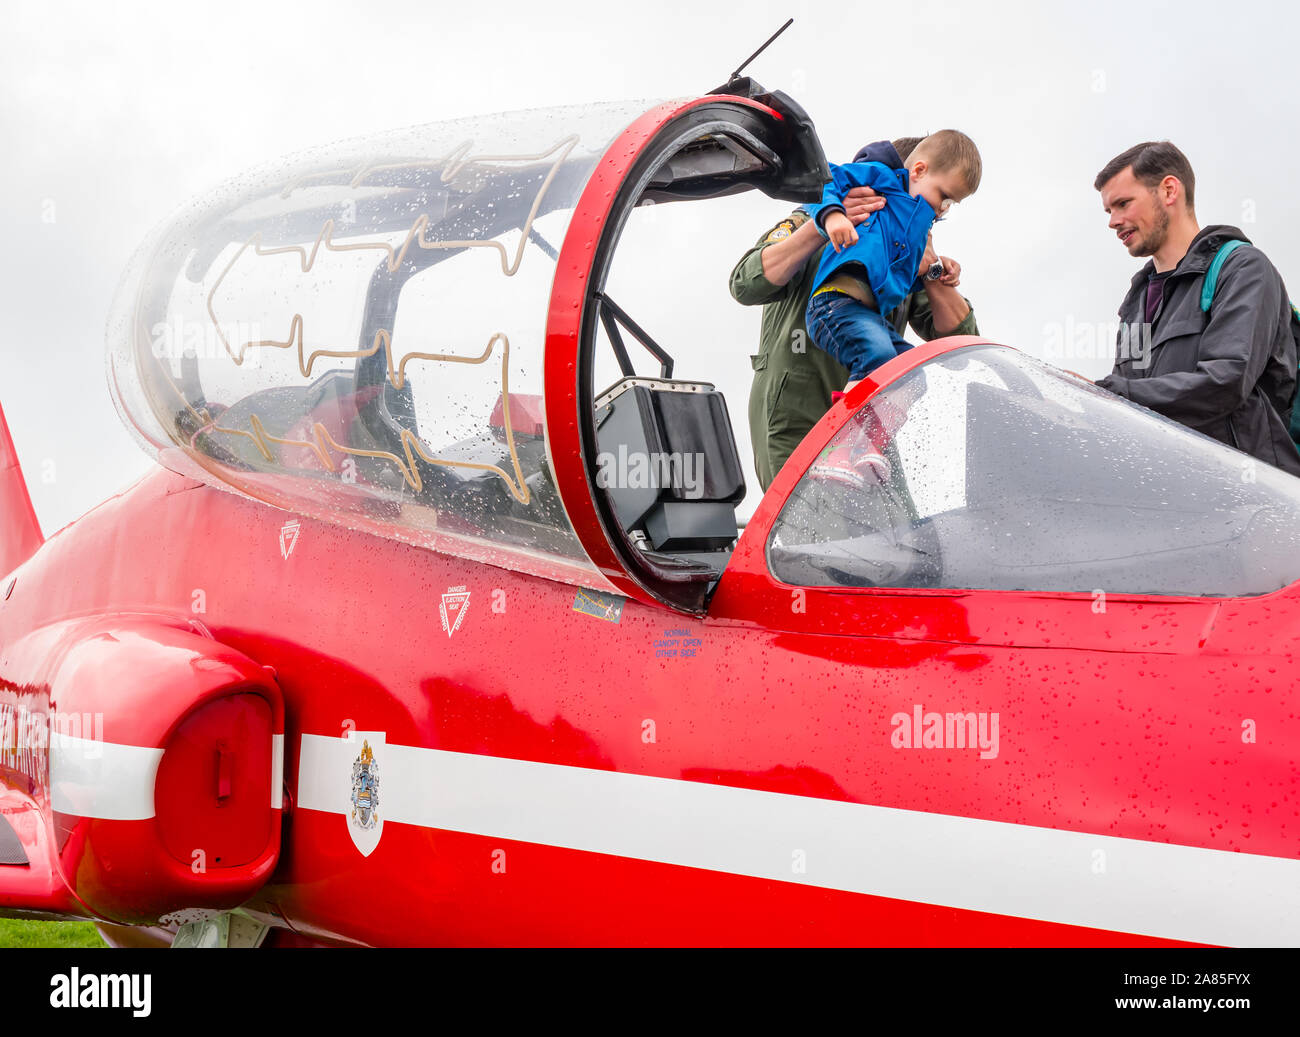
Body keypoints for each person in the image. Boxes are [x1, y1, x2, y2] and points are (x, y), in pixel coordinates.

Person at [730, 137, 980, 490]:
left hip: (869, 433)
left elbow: (960, 348)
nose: (936, 212)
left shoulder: (906, 250)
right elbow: (745, 284)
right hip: (795, 419)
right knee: (812, 538)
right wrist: (824, 223)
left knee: (901, 540)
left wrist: (932, 270)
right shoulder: (813, 215)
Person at [1093, 141, 1300, 475]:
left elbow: (1226, 382)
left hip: (1252, 500)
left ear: (1169, 190)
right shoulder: (1135, 302)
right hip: (1172, 499)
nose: (1113, 221)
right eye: (1108, 211)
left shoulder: (1243, 269)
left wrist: (1111, 392)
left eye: (1123, 204)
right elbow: (1125, 410)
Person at [804, 130, 982, 391]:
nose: (943, 209)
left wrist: (935, 270)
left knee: (911, 376)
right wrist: (833, 215)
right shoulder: (880, 181)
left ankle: (879, 428)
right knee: (876, 358)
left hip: (868, 315)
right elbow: (822, 182)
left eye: (951, 204)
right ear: (919, 170)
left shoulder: (918, 233)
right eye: (944, 196)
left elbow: (898, 281)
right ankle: (853, 422)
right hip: (834, 305)